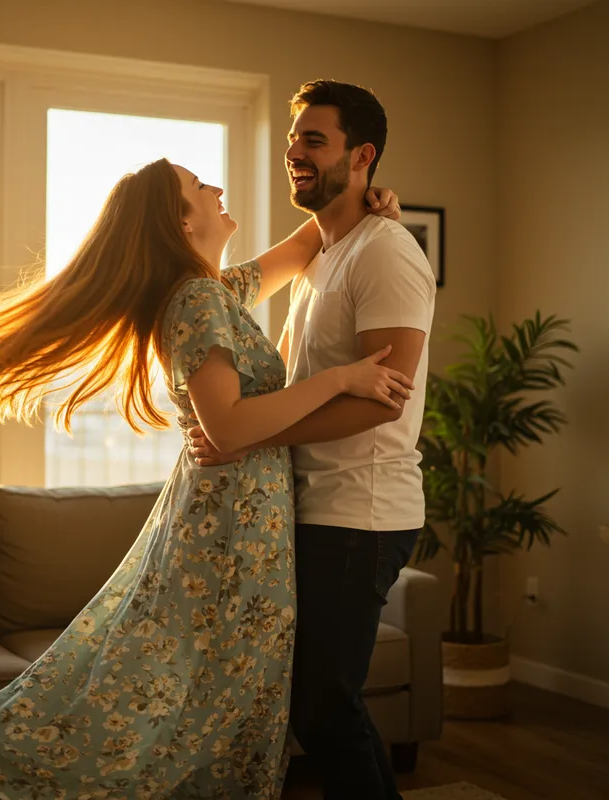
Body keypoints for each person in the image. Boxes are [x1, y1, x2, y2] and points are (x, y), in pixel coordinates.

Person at [0, 156, 409, 799]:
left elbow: (301, 246)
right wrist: (341, 378)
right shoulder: (197, 298)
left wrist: (372, 207)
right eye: (196, 186)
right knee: (209, 702)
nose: (214, 187)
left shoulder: (210, 291)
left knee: (215, 700)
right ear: (181, 222)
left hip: (242, 519)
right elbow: (231, 428)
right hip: (233, 530)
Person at [189, 80, 437, 800]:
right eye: (293, 137)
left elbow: (383, 402)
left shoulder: (384, 253)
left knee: (324, 707)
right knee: (323, 705)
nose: (293, 151)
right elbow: (285, 254)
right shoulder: (323, 250)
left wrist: (250, 439)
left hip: (358, 514)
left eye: (313, 139)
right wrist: (363, 199)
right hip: (312, 507)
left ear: (361, 155)